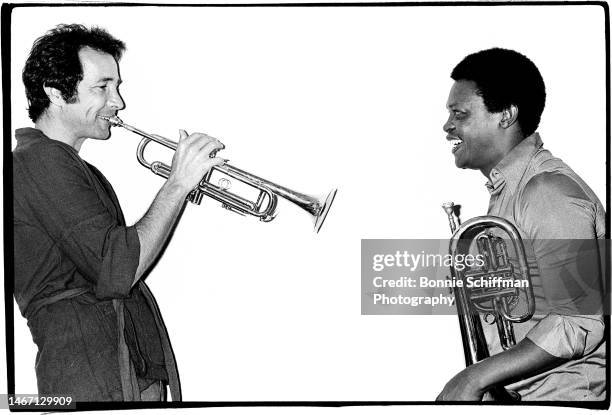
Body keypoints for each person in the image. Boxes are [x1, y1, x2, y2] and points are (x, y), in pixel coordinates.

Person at [13, 24, 226, 402]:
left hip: (118, 365)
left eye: (117, 87)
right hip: (92, 374)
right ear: (56, 92)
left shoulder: (73, 167)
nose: (118, 102)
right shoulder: (39, 160)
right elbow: (119, 268)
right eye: (103, 87)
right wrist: (177, 184)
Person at [438, 48, 606, 401]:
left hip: (562, 400)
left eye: (460, 113)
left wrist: (474, 378)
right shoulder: (508, 193)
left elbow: (578, 324)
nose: (448, 125)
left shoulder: (548, 192)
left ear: (506, 115)